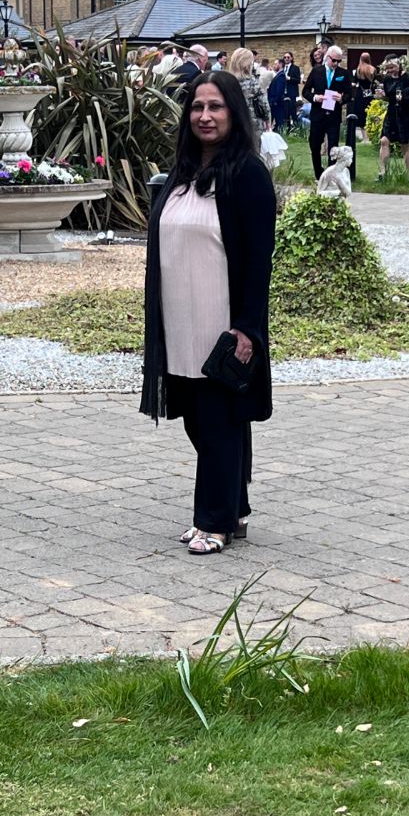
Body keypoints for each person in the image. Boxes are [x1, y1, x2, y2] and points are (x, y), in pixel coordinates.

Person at [141, 70, 275, 555]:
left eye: (215, 107)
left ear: (233, 113)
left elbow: (258, 260)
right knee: (199, 421)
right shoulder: (181, 173)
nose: (205, 116)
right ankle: (234, 508)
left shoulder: (247, 174)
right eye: (197, 107)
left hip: (221, 324)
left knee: (218, 420)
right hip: (180, 323)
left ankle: (213, 523)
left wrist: (247, 328)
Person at [302, 44, 352, 179]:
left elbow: (349, 94)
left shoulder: (343, 74)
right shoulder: (316, 71)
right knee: (315, 145)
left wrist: (342, 98)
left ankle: (330, 175)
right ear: (327, 57)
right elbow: (305, 91)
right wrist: (315, 98)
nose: (336, 64)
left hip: (333, 116)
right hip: (318, 114)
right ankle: (318, 174)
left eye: (339, 61)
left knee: (333, 147)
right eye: (334, 60)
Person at [379, 56, 409, 182]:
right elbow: (389, 97)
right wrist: (382, 97)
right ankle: (382, 173)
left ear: (399, 66)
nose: (390, 70)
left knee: (405, 145)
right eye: (388, 68)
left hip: (405, 115)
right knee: (384, 141)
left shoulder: (407, 78)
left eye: (392, 67)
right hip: (392, 113)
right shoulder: (387, 80)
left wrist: (404, 97)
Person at [228, 47, 270, 141]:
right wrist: (267, 119)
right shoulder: (252, 82)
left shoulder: (228, 81)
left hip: (232, 122)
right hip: (252, 122)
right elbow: (263, 103)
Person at [351, 52, 376, 141]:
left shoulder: (358, 70)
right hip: (369, 93)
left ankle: (365, 138)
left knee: (361, 115)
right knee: (370, 113)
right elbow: (375, 82)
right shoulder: (373, 69)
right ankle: (371, 136)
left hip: (360, 94)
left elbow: (354, 83)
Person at [276, 50, 301, 133]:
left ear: (291, 58)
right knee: (284, 112)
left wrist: (289, 78)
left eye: (288, 57)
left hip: (292, 93)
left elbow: (298, 80)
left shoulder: (295, 68)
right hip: (283, 93)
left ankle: (296, 129)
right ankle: (286, 129)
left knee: (292, 111)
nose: (286, 59)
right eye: (285, 57)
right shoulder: (282, 68)